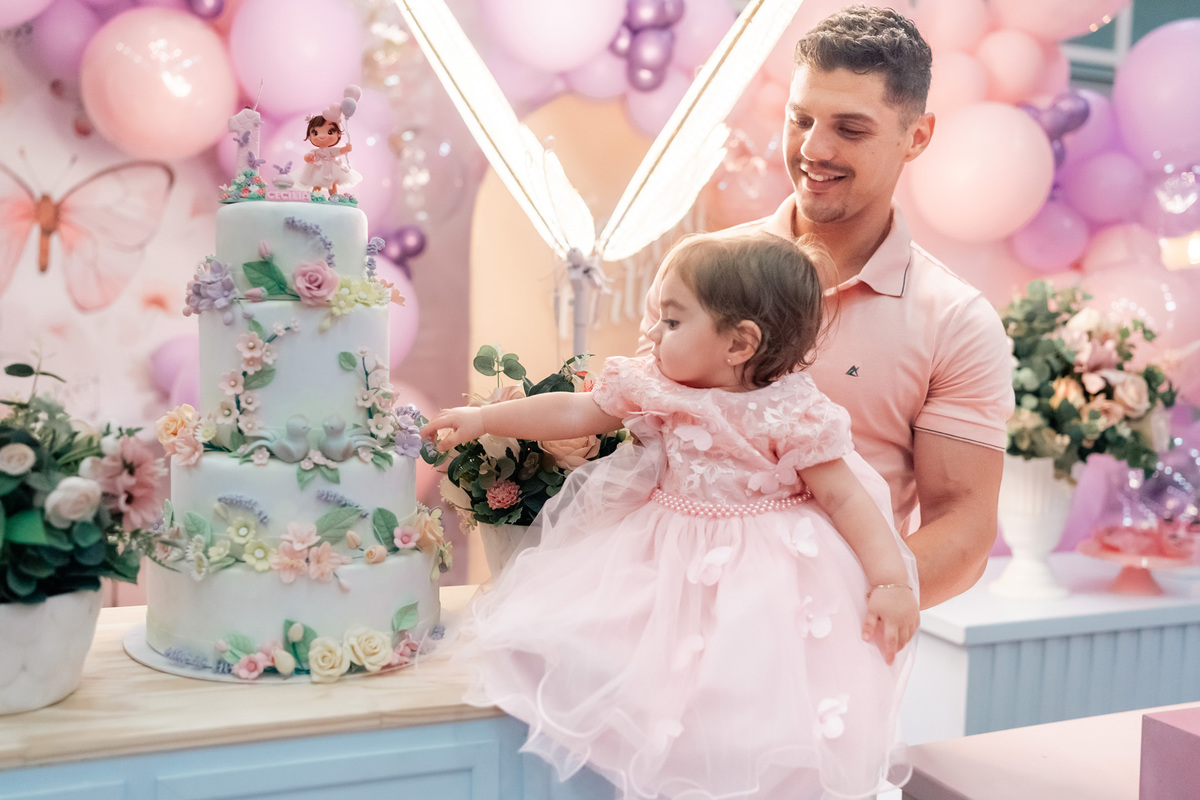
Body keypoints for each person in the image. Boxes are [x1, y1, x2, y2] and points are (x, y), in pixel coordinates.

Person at [423, 232, 919, 800]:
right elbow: (577, 411)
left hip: (767, 576)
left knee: (743, 700)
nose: (654, 332)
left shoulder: (793, 412)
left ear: (739, 343)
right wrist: (484, 419)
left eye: (674, 321)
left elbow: (847, 499)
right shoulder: (655, 384)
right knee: (612, 658)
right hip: (661, 553)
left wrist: (889, 582)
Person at [637, 6, 1013, 609]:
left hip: (829, 646)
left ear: (916, 137)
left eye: (851, 129)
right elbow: (641, 443)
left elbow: (963, 533)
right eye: (800, 119)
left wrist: (809, 617)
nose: (814, 148)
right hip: (669, 621)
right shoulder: (699, 272)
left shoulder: (956, 322)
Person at [297, 111, 360, 196]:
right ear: (309, 137)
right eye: (316, 133)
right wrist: (308, 157)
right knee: (317, 182)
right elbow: (308, 157)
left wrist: (346, 148)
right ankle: (315, 195)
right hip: (318, 169)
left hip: (331, 169)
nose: (322, 136)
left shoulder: (331, 150)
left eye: (330, 132)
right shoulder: (315, 151)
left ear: (338, 134)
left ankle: (334, 196)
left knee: (333, 182)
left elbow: (340, 151)